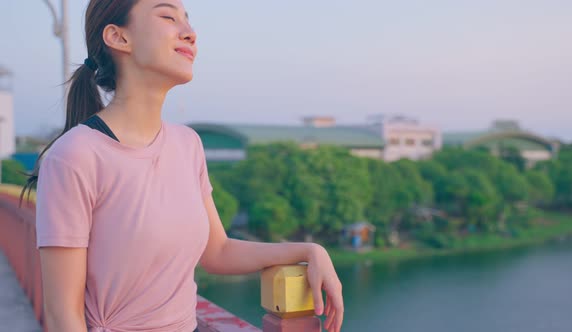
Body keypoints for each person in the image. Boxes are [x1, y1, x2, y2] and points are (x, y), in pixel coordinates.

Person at [19, 1, 344, 331]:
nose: (189, 33)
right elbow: (63, 316)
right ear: (118, 37)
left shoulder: (188, 145)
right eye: (167, 16)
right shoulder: (75, 155)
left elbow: (218, 251)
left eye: (187, 20)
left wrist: (309, 249)